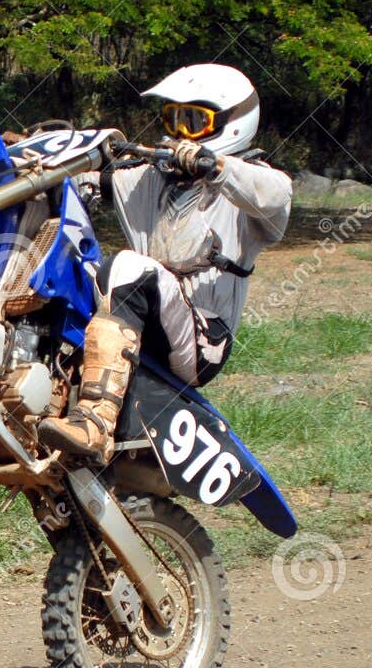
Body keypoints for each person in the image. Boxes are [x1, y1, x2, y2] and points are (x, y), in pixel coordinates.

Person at [34, 63, 293, 461]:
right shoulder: (148, 178)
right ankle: (19, 400)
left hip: (202, 341)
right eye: (173, 118)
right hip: (148, 321)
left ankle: (96, 423)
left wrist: (216, 166)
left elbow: (275, 195)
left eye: (194, 121)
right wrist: (35, 156)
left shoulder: (253, 188)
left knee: (127, 267)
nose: (178, 134)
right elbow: (79, 182)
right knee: (68, 268)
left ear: (231, 123)